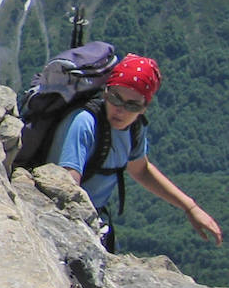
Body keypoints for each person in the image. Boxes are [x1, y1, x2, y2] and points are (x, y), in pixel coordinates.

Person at [48, 53, 221, 245]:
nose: (121, 109)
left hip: (93, 219)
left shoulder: (134, 128)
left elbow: (141, 170)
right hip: (68, 221)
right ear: (106, 92)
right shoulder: (83, 123)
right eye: (115, 98)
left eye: (132, 105)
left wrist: (190, 207)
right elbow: (67, 188)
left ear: (144, 108)